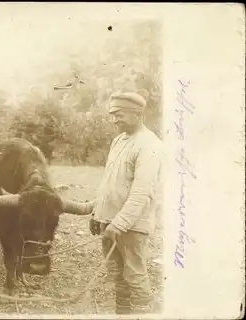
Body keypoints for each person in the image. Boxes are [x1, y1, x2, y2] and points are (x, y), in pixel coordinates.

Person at [86, 91, 162, 315]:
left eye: (118, 115)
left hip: (131, 226)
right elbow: (110, 182)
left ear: (137, 113)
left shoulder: (149, 145)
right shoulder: (118, 141)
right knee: (118, 277)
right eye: (112, 115)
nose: (113, 120)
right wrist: (97, 214)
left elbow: (142, 192)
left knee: (135, 276)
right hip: (109, 223)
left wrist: (118, 224)